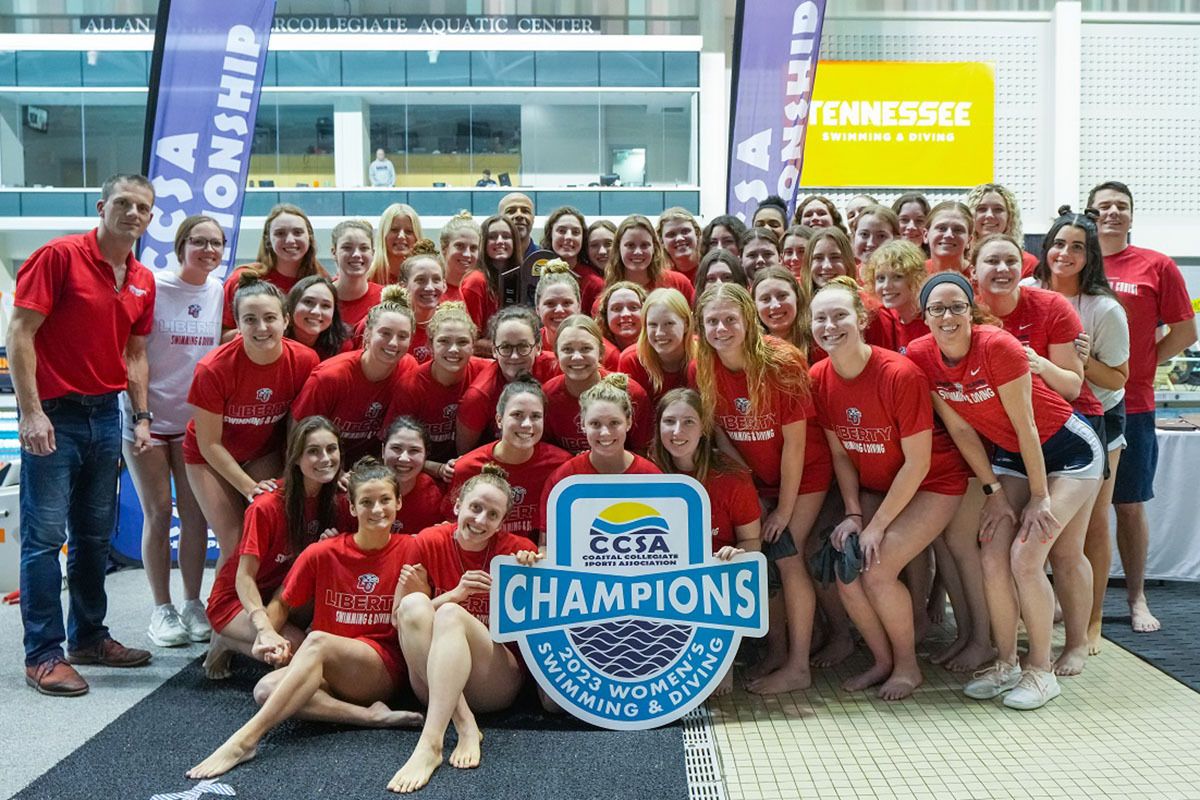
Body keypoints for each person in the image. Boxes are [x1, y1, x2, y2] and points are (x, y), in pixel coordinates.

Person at [907, 272, 1103, 710]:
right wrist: (994, 491)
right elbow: (960, 427)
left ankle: (1041, 669)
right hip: (1010, 458)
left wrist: (1039, 497)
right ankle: (1007, 661)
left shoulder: (998, 346)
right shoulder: (921, 355)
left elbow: (1026, 425)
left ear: (970, 311)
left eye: (957, 306)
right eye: (937, 308)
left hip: (1069, 452)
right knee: (991, 553)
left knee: (1026, 556)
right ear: (925, 317)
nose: (948, 315)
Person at [187, 457, 425, 780]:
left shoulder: (415, 548)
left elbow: (465, 537)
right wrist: (267, 636)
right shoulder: (322, 552)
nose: (377, 509)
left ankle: (244, 741)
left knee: (316, 641)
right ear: (352, 509)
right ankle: (368, 717)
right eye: (366, 502)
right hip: (326, 667)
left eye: (385, 500)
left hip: (378, 667)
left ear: (399, 502)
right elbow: (281, 605)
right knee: (264, 691)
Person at [11, 173, 157, 695]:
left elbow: (134, 355)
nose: (133, 213)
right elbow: (20, 333)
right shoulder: (58, 257)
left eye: (143, 207)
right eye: (123, 203)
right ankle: (43, 654)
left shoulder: (142, 278)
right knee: (45, 539)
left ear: (150, 217)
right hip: (55, 414)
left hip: (104, 417)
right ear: (101, 206)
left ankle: (89, 637)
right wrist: (31, 413)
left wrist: (140, 417)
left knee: (94, 538)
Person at [810, 277, 969, 700]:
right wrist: (853, 514)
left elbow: (918, 463)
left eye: (840, 315)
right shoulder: (819, 377)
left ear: (861, 320)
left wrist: (876, 526)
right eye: (820, 318)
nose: (830, 326)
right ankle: (881, 660)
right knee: (847, 572)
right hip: (878, 489)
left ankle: (907, 666)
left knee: (877, 569)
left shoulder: (899, 374)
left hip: (934, 483)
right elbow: (842, 455)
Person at [692, 282, 831, 695]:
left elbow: (796, 444)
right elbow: (722, 436)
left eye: (730, 320)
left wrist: (783, 511)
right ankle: (776, 649)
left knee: (787, 552)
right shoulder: (703, 362)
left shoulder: (783, 361)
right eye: (712, 321)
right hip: (756, 477)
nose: (721, 329)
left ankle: (798, 665)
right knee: (762, 562)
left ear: (748, 321)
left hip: (803, 473)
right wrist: (754, 497)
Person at [389, 465, 539, 793]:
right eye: (475, 508)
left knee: (450, 616)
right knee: (414, 606)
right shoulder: (428, 541)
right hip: (433, 682)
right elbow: (397, 620)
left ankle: (430, 744)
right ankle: (463, 722)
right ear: (457, 505)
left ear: (502, 522)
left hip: (494, 680)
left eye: (493, 514)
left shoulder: (515, 550)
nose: (481, 520)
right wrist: (456, 594)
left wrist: (536, 563)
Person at [1089, 180, 1196, 633]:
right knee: (1076, 508)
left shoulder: (1157, 265)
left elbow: (1185, 333)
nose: (1112, 213)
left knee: (1129, 504)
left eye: (1121, 207)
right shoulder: (1074, 261)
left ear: (1132, 216)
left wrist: (1145, 361)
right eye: (1103, 207)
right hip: (1072, 403)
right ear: (1090, 214)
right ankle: (1074, 598)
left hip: (1133, 403)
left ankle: (1136, 598)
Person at [1029, 206, 1130, 655]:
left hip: (1096, 419)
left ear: (1091, 257)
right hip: (1038, 421)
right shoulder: (1026, 290)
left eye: (1077, 247)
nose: (1064, 254)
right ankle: (1044, 616)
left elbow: (1119, 379)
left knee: (1088, 528)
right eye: (1058, 244)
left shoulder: (1104, 309)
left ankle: (1090, 623)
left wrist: (1080, 362)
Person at [123, 215, 225, 648]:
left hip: (192, 422)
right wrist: (141, 415)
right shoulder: (154, 286)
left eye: (216, 243)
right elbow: (134, 353)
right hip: (145, 418)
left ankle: (191, 602)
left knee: (196, 514)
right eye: (199, 241)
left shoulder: (219, 290)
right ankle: (161, 608)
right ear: (181, 245)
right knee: (159, 512)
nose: (208, 250)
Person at [184, 275, 320, 575]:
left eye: (270, 318)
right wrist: (249, 488)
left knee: (268, 539)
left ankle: (260, 606)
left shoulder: (305, 360)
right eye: (250, 319)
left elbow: (298, 426)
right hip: (210, 455)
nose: (261, 328)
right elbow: (209, 443)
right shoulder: (212, 369)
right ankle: (222, 615)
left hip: (263, 451)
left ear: (286, 320)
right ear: (238, 324)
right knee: (234, 543)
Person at [201, 416, 346, 679]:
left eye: (331, 449)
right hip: (238, 600)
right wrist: (264, 626)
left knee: (308, 655)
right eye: (313, 451)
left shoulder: (337, 499)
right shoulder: (266, 506)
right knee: (295, 653)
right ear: (295, 459)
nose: (325, 458)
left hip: (285, 593)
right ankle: (226, 639)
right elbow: (243, 578)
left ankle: (259, 637)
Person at [652, 388, 761, 693]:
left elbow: (752, 540)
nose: (677, 431)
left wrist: (736, 553)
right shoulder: (647, 472)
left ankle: (722, 657)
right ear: (657, 426)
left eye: (688, 422)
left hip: (714, 582)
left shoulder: (732, 477)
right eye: (669, 421)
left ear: (704, 428)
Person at [292, 286, 416, 464]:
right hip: (323, 465)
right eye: (385, 333)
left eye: (402, 336)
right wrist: (335, 473)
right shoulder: (329, 376)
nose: (393, 343)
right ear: (367, 333)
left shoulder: (408, 367)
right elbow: (298, 433)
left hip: (370, 467)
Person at [448, 380, 570, 540]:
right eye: (517, 415)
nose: (526, 424)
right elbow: (453, 529)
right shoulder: (467, 468)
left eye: (535, 416)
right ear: (499, 420)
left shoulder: (561, 465)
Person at [384, 302, 489, 480]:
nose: (454, 349)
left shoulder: (486, 371)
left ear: (473, 346)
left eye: (462, 342)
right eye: (444, 341)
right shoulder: (410, 386)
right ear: (430, 346)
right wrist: (437, 469)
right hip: (420, 471)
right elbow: (391, 450)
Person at [542, 374, 663, 511]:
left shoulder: (651, 477)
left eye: (614, 423)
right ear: (582, 424)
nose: (605, 433)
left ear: (628, 422)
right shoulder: (563, 479)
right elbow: (550, 532)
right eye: (595, 423)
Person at [543, 315, 652, 454]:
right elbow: (545, 451)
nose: (577, 357)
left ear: (601, 353)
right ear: (557, 355)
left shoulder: (631, 393)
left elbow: (643, 450)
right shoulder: (547, 396)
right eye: (567, 349)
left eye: (586, 348)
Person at [456, 306, 558, 452]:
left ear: (538, 347)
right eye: (505, 347)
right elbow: (464, 455)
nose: (514, 356)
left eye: (523, 347)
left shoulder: (558, 369)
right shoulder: (479, 396)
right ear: (494, 351)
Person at [221, 204, 327, 338]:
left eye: (298, 232)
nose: (290, 240)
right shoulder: (242, 280)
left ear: (310, 237)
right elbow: (220, 337)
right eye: (280, 233)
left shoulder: (322, 282)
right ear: (268, 240)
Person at [619, 288, 694, 409]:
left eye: (669, 323)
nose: (659, 333)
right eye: (653, 325)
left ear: (686, 324)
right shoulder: (631, 360)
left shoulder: (703, 354)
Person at [535, 260, 618, 369]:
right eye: (550, 303)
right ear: (537, 309)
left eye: (567, 303)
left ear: (579, 306)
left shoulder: (608, 354)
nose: (559, 310)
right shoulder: (529, 349)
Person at [605, 214, 694, 307]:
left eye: (644, 245)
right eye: (630, 245)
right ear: (618, 248)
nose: (638, 252)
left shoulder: (679, 284)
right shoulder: (608, 297)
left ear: (654, 247)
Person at [383, 417, 447, 534]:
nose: (404, 458)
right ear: (383, 451)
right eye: (396, 448)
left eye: (414, 450)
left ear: (425, 456)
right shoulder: (359, 489)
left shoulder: (435, 497)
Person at [461, 214, 519, 345]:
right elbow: (470, 340)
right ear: (483, 242)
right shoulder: (475, 281)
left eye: (506, 236)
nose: (500, 241)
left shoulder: (520, 278)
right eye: (492, 237)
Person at [965, 182, 1038, 277]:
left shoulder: (1028, 263)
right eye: (982, 209)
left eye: (998, 209)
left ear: (1010, 216)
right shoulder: (959, 261)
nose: (989, 215)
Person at [541, 206, 603, 312]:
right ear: (550, 235)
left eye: (575, 232)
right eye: (561, 231)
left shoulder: (594, 285)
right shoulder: (535, 273)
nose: (568, 237)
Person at [329, 219, 383, 329]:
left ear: (372, 253)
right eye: (347, 247)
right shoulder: (320, 297)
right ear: (334, 253)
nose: (356, 254)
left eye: (364, 248)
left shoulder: (385, 298)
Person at [400, 243, 448, 363]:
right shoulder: (387, 324)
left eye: (436, 280)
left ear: (444, 285)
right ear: (403, 286)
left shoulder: (451, 325)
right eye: (420, 280)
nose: (429, 288)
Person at [284, 275, 350, 361]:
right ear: (292, 306)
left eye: (325, 305)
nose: (316, 311)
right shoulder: (275, 341)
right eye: (308, 302)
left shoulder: (342, 346)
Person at [752, 266, 810, 352]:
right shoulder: (747, 347)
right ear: (754, 305)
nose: (775, 305)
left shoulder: (818, 340)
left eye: (782, 296)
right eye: (765, 299)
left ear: (797, 297)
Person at [370, 203, 424, 285]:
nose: (401, 236)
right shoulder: (368, 277)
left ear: (417, 237)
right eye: (394, 230)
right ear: (383, 234)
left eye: (409, 231)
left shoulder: (426, 277)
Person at [438, 211, 480, 303]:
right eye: (459, 246)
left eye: (473, 248)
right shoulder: (432, 291)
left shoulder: (484, 293)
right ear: (444, 248)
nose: (467, 254)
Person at [596, 280, 646, 352]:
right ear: (605, 315)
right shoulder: (596, 351)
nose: (625, 314)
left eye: (634, 307)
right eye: (617, 308)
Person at [925, 201, 973, 276]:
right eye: (941, 228)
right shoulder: (913, 275)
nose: (949, 235)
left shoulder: (979, 277)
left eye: (958, 230)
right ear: (925, 235)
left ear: (969, 240)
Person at [805, 227, 857, 292]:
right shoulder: (797, 301)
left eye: (835, 257)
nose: (827, 266)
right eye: (818, 258)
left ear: (848, 262)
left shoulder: (863, 301)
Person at [658, 207, 702, 284]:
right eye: (671, 234)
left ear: (697, 234)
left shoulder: (713, 271)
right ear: (662, 242)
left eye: (685, 231)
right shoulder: (661, 279)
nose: (679, 238)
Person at [498, 192, 536, 258]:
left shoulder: (547, 259)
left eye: (525, 211)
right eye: (511, 211)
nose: (519, 215)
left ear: (533, 218)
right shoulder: (484, 261)